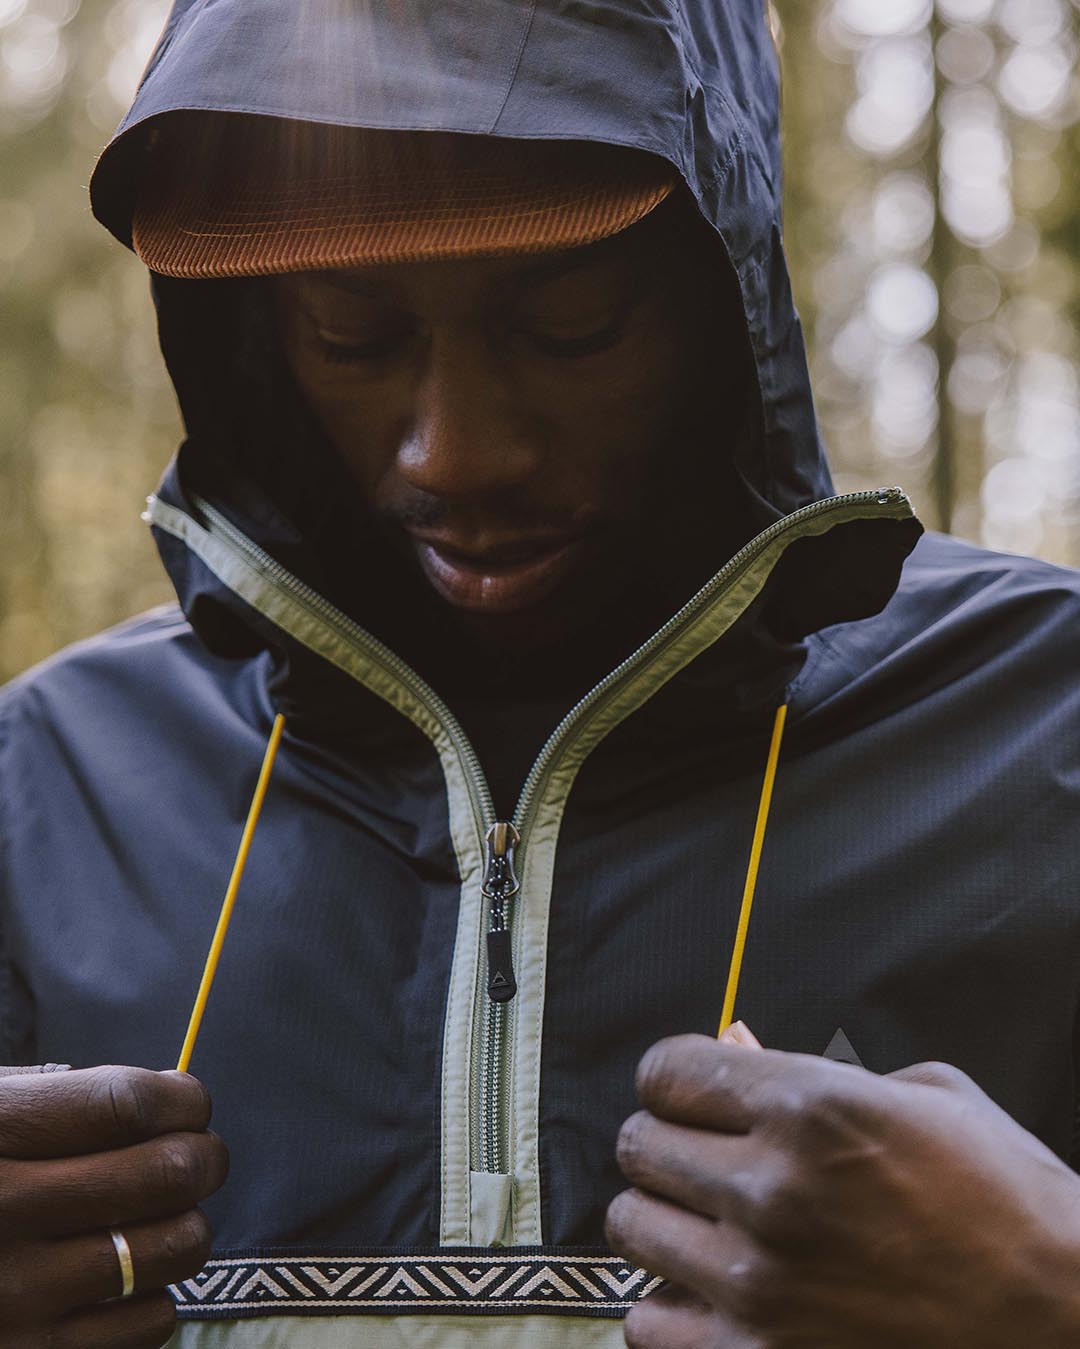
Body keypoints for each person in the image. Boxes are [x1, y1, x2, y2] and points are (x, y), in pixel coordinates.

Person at [1, 0, 1078, 1346]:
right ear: (248, 334)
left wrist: (1049, 1291)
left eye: (568, 326)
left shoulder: (1049, 720)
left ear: (721, 285)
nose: (457, 454)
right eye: (352, 335)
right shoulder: (44, 789)